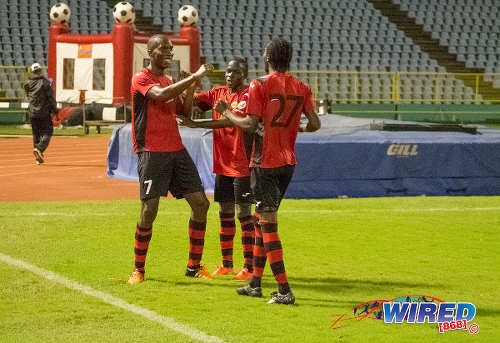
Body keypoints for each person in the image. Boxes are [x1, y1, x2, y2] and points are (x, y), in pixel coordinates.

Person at [219, 37, 321, 304]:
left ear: (267, 57)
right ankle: (255, 283)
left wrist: (226, 112)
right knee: (262, 220)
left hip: (264, 162)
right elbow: (315, 124)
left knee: (267, 224)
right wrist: (294, 129)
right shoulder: (302, 86)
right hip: (288, 163)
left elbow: (250, 124)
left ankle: (284, 290)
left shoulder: (259, 84)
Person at [127, 34, 214, 284]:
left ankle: (193, 266)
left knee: (200, 204)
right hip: (152, 151)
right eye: (164, 48)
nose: (169, 51)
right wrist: (193, 77)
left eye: (170, 48)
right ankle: (138, 270)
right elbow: (161, 95)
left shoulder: (167, 79)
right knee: (149, 209)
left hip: (175, 148)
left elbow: (183, 114)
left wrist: (190, 90)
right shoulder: (141, 78)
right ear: (150, 51)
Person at [182, 58, 255, 280]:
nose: (229, 75)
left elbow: (232, 122)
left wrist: (198, 125)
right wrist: (191, 82)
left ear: (244, 75)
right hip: (223, 164)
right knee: (225, 213)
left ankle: (249, 266)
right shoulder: (217, 92)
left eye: (234, 72)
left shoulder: (247, 96)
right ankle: (227, 264)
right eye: (227, 72)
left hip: (242, 163)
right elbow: (192, 103)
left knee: (243, 213)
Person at [24, 62, 58, 165]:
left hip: (33, 113)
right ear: (40, 71)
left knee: (36, 134)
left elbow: (28, 95)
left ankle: (38, 157)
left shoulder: (28, 83)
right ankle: (39, 149)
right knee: (48, 132)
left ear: (32, 72)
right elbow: (51, 98)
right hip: (44, 113)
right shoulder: (45, 82)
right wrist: (55, 110)